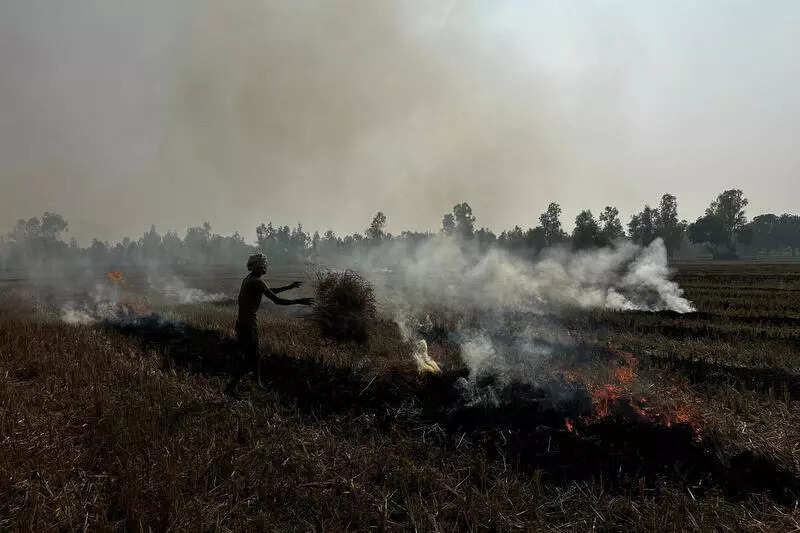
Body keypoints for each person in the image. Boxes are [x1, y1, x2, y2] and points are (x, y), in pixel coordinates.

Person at [226, 253, 313, 395]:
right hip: (248, 324)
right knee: (249, 358)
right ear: (258, 266)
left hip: (243, 322)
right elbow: (277, 300)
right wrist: (299, 301)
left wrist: (289, 287)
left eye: (264, 265)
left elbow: (268, 291)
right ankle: (231, 388)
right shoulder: (257, 281)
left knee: (255, 355)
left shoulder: (249, 279)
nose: (265, 268)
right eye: (263, 265)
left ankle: (257, 383)